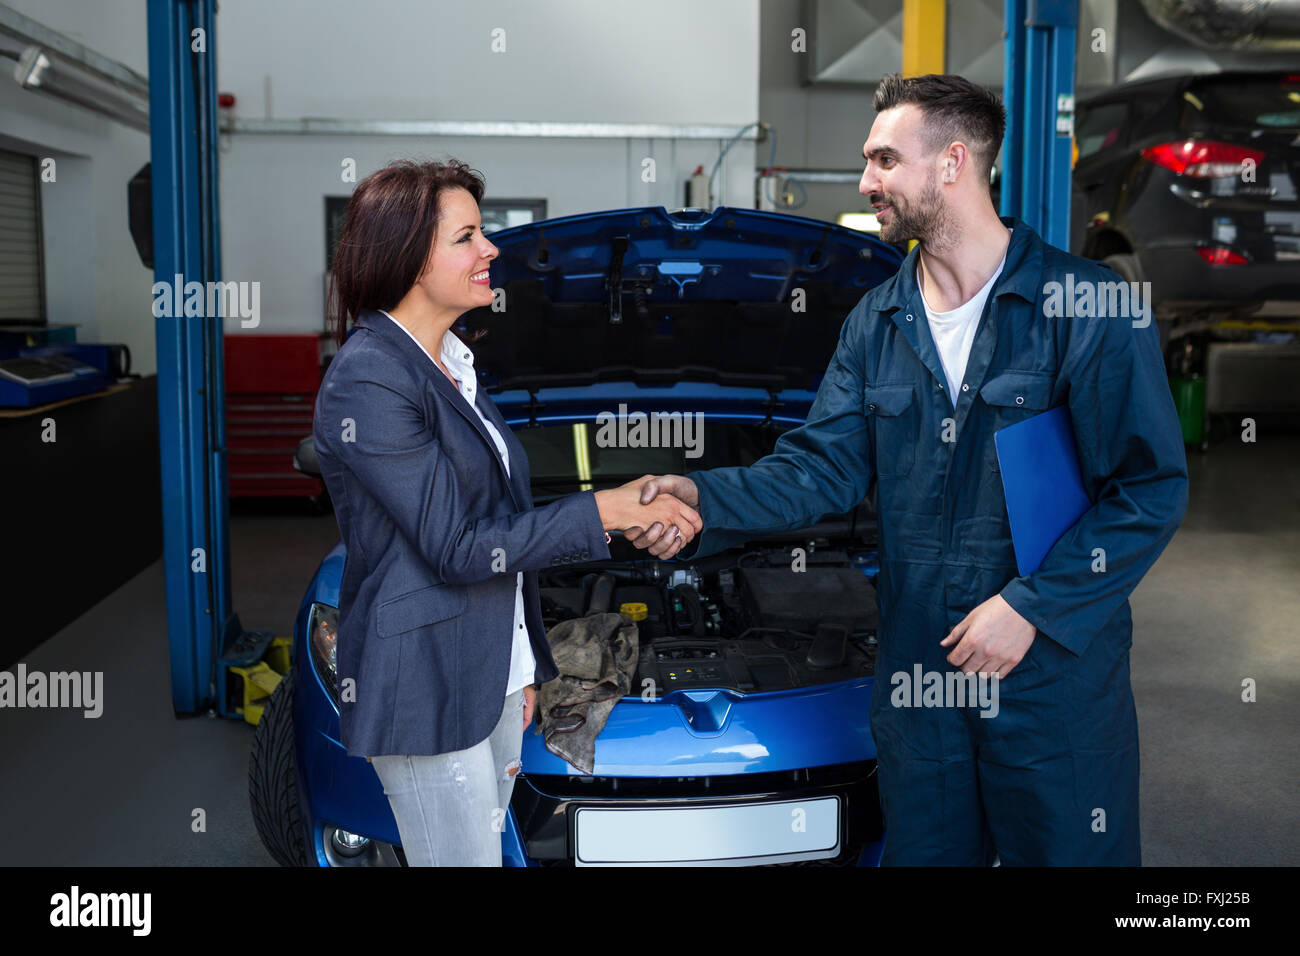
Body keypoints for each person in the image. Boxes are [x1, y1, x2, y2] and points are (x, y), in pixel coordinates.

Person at [627, 74, 1188, 865]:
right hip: (923, 675)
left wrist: (1031, 607)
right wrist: (699, 492)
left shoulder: (1086, 306)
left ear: (953, 163)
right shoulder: (877, 322)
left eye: (885, 159)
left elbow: (1148, 489)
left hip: (1049, 679)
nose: (866, 182)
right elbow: (819, 469)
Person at [313, 158, 701, 866]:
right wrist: (605, 510)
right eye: (466, 237)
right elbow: (458, 547)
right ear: (405, 256)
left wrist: (519, 664)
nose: (491, 249)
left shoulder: (450, 366)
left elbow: (499, 522)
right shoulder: (370, 377)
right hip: (425, 680)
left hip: (484, 671)